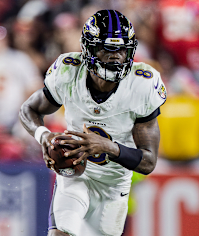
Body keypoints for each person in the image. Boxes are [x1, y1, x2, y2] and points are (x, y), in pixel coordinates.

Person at [19, 9, 166, 236]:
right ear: (89, 48)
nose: (115, 56)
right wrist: (44, 137)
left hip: (113, 187)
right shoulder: (69, 72)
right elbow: (28, 109)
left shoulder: (142, 85)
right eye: (106, 48)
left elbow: (148, 162)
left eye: (121, 49)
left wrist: (105, 146)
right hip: (76, 175)